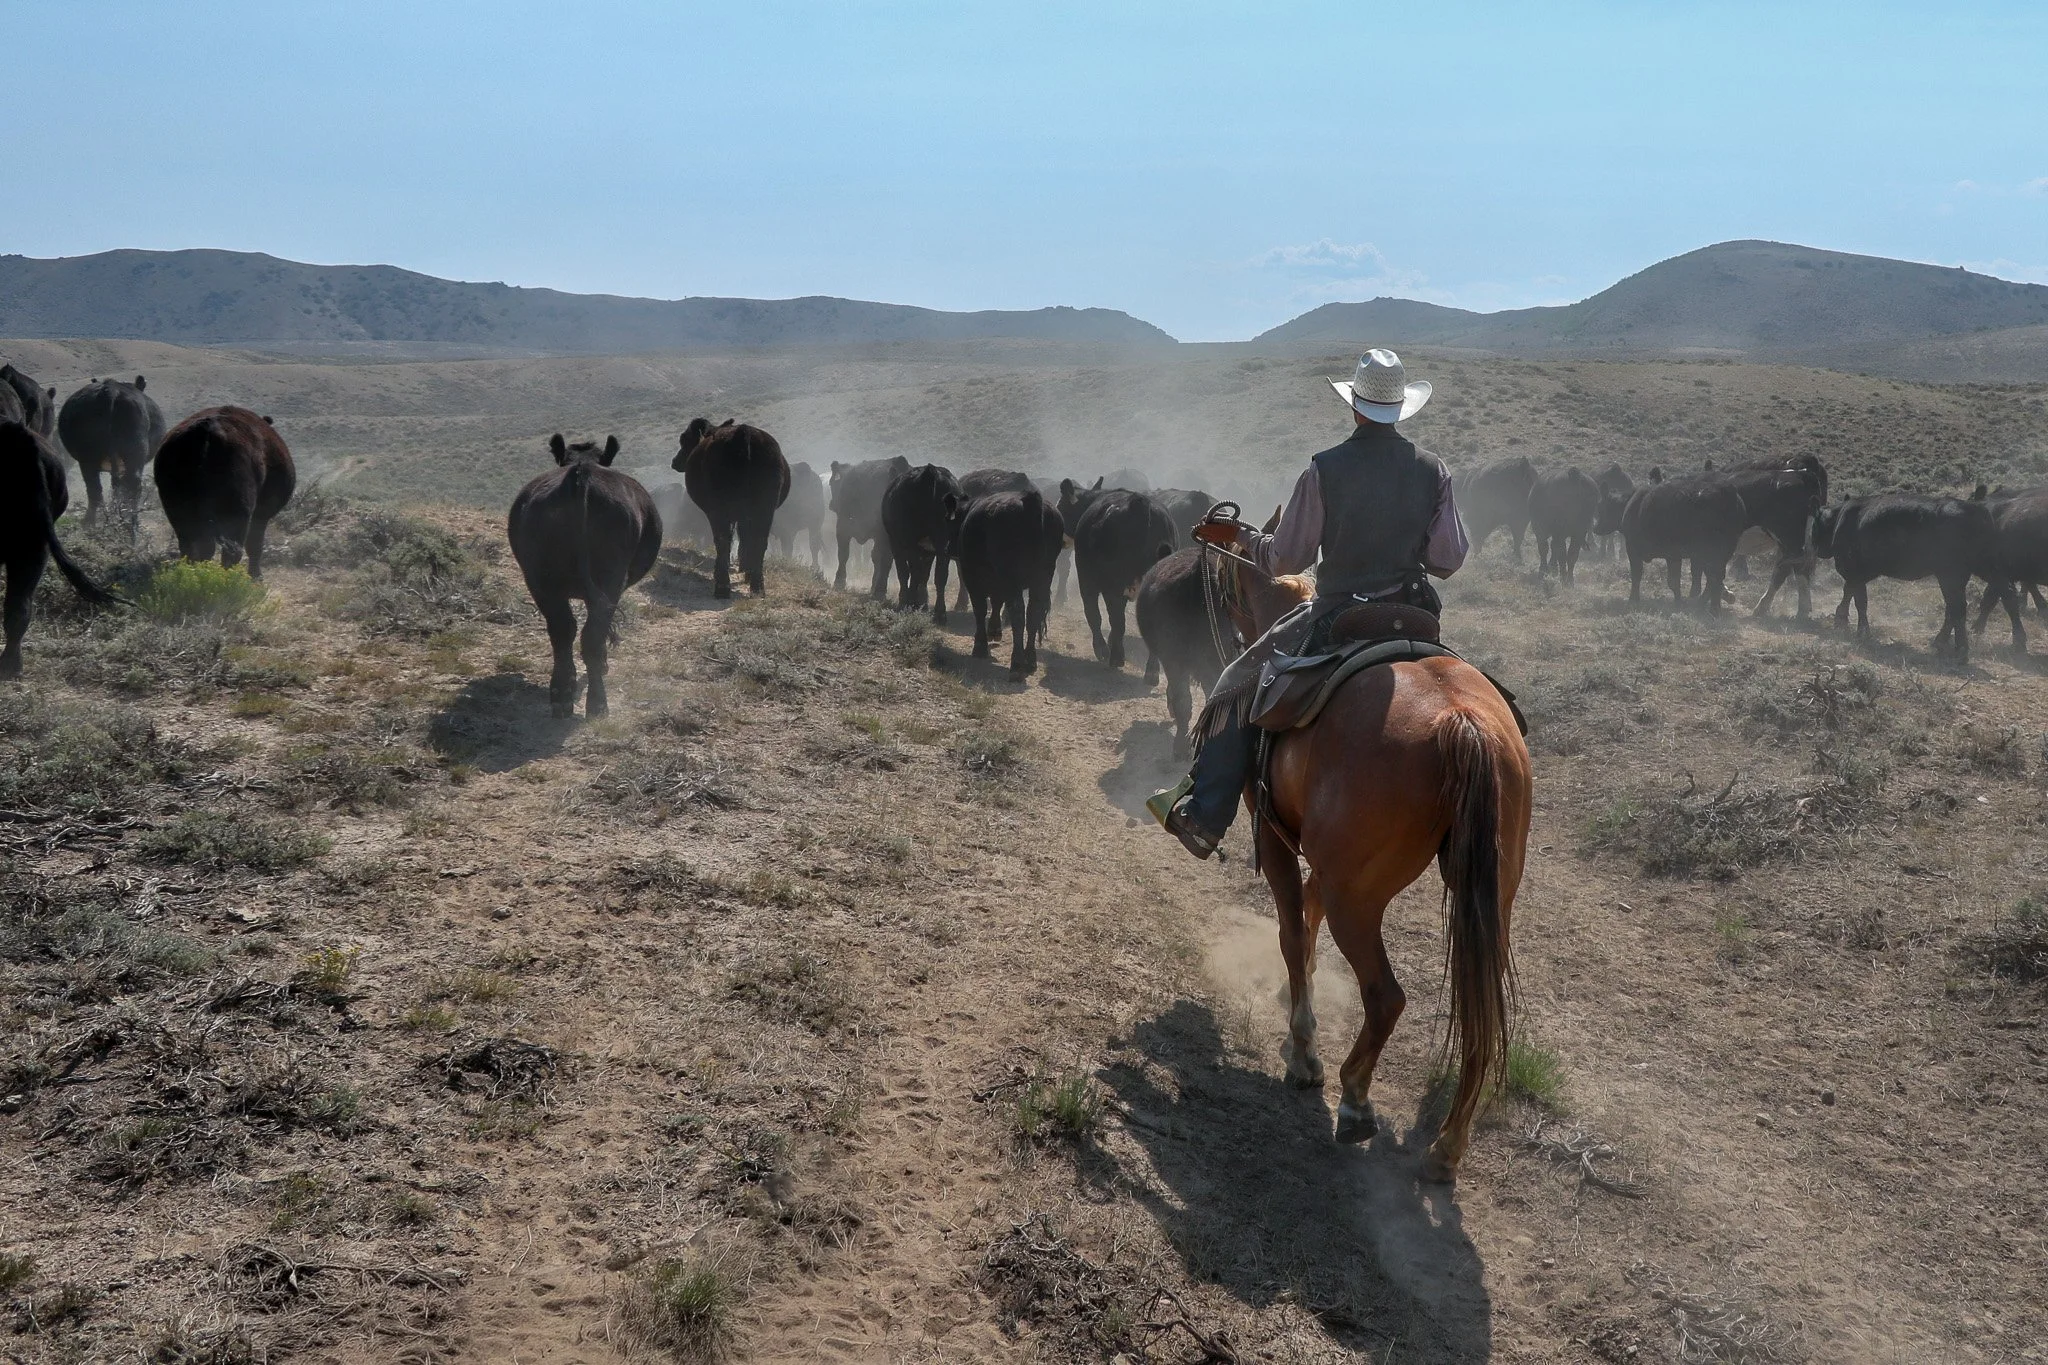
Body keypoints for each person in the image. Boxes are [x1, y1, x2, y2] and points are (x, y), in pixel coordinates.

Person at [1146, 348, 1469, 860]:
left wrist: (1243, 537)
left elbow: (1284, 560)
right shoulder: (1435, 470)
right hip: (1414, 614)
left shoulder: (1324, 469)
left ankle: (1206, 817)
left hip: (1339, 614)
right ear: (1399, 408)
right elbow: (1449, 559)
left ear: (1356, 407)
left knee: (1234, 682)